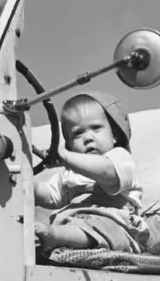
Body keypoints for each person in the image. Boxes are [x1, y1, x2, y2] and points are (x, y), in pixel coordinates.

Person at [33, 92, 149, 256]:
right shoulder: (69, 174)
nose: (87, 138)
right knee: (67, 223)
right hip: (74, 222)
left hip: (115, 225)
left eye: (95, 128)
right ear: (70, 145)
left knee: (96, 227)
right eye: (77, 134)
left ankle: (55, 236)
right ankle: (58, 236)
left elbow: (108, 174)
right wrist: (31, 187)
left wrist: (66, 156)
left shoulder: (120, 158)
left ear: (114, 134)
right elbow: (52, 195)